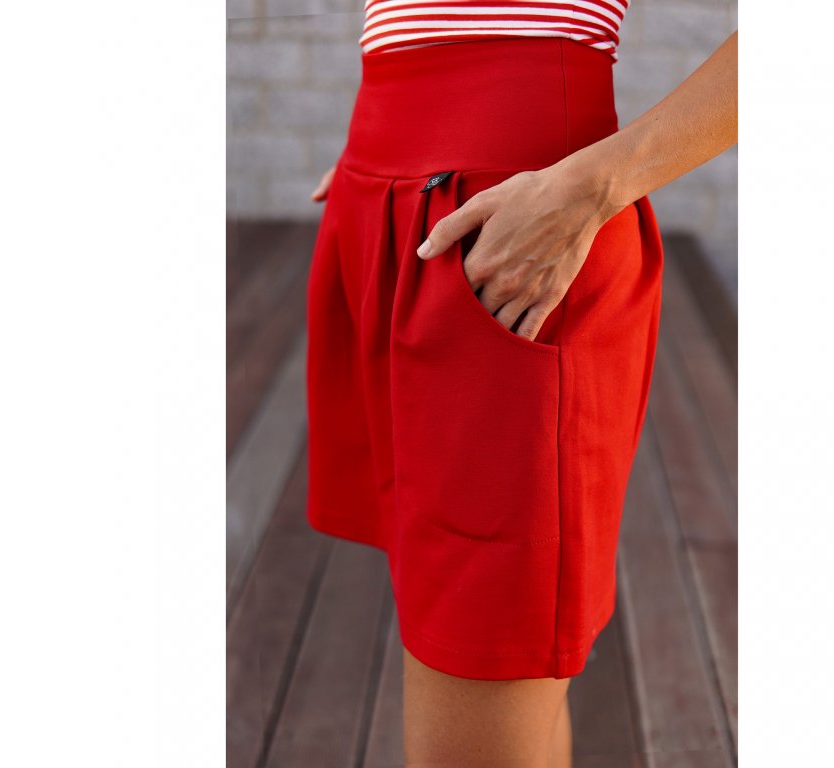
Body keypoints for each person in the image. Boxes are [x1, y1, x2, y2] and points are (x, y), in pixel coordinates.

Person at [304, 6, 737, 765]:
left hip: (509, 235)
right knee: (509, 702)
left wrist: (598, 183)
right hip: (388, 206)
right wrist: (385, 151)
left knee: (483, 680)